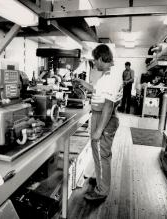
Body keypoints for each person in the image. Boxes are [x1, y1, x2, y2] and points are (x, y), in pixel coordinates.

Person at [73, 44, 122, 201]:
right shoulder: (107, 74)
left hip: (104, 118)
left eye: (95, 60)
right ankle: (101, 179)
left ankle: (102, 190)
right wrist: (81, 82)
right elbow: (96, 90)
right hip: (100, 116)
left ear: (101, 58)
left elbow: (108, 105)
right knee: (99, 154)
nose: (94, 63)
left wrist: (98, 130)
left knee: (102, 155)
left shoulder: (112, 76)